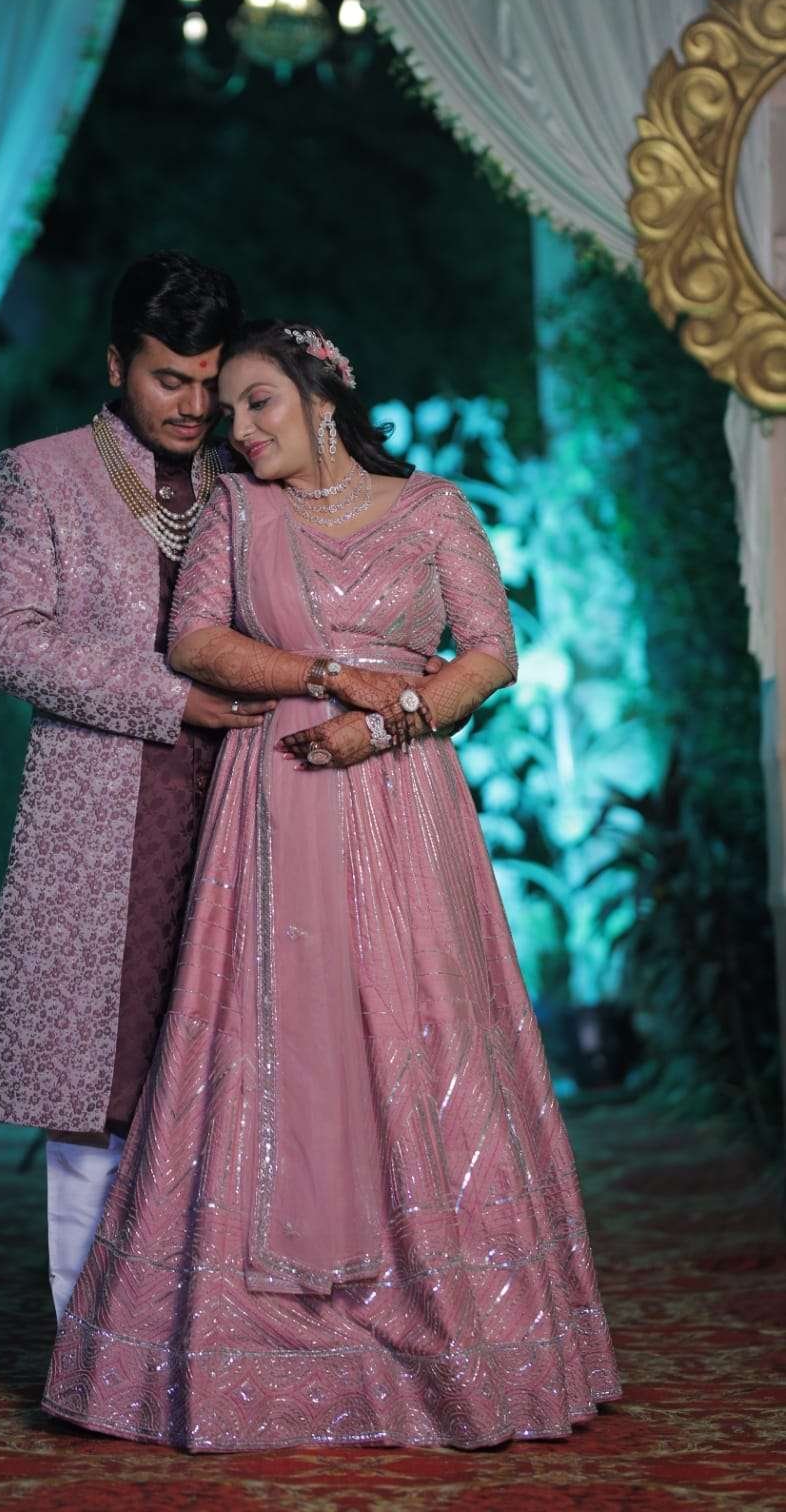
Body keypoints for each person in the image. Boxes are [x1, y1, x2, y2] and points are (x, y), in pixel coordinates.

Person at [43, 320, 621, 1451]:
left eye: (257, 403)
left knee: (415, 1020)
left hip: (403, 797)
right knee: (274, 1027)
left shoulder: (434, 508)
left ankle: (453, 1330)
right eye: (227, 413)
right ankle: (262, 1335)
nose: (239, 429)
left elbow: (490, 653)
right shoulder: (235, 511)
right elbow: (193, 642)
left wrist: (387, 720)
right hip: (274, 798)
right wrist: (324, 675)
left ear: (322, 399)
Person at [0, 252, 276, 1323]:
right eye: (167, 378)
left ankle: (215, 1340)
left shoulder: (253, 477)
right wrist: (173, 697)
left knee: (235, 1074)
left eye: (209, 380)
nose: (192, 405)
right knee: (98, 1082)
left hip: (246, 806)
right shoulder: (42, 476)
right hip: (103, 816)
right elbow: (3, 639)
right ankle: (86, 1342)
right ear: (114, 365)